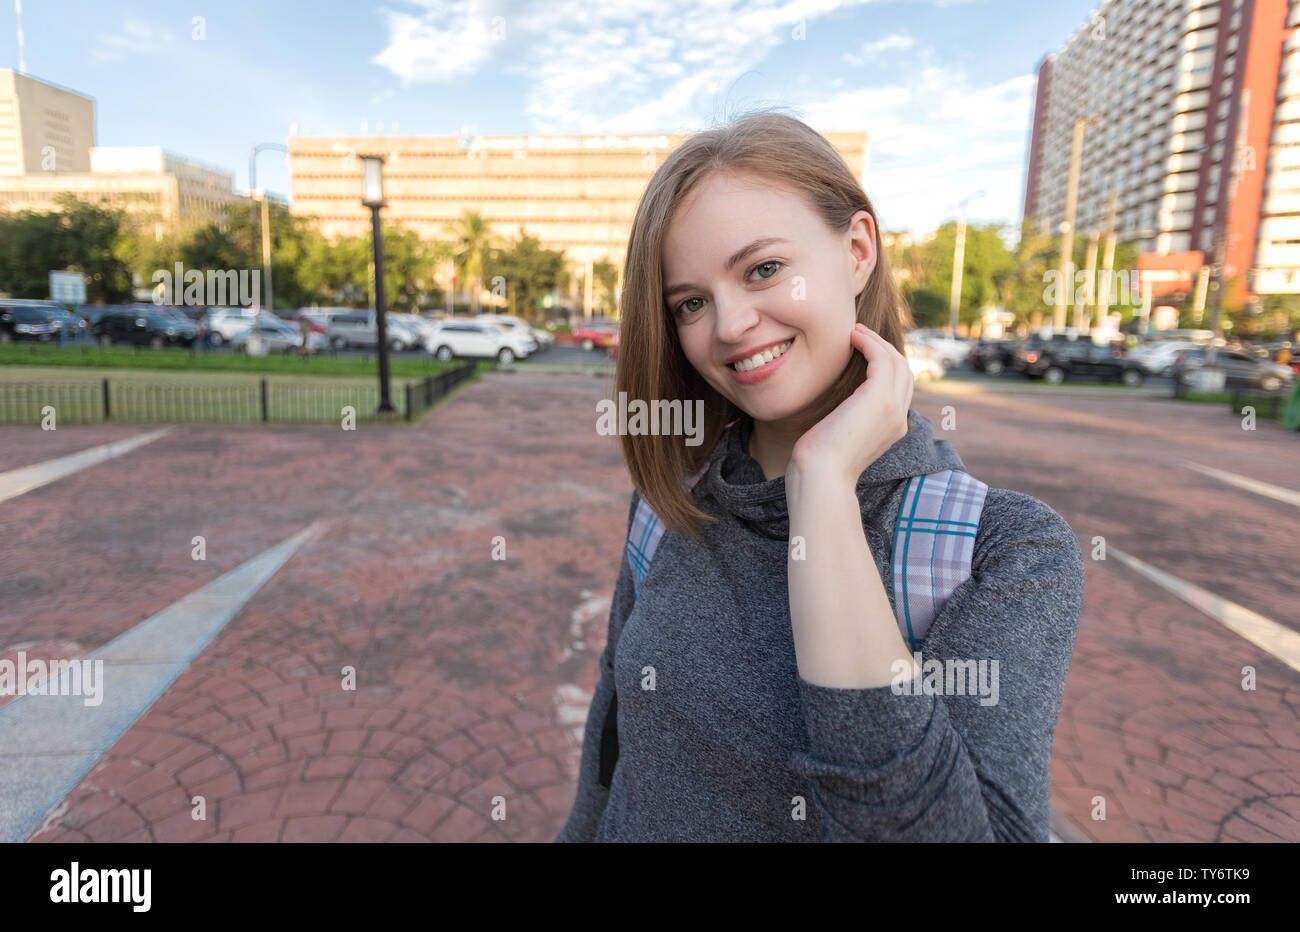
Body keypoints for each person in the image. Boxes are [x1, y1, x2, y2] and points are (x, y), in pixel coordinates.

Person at [554, 111, 1085, 843]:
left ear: (858, 251)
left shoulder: (1005, 553)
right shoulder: (667, 506)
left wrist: (825, 486)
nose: (732, 324)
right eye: (692, 303)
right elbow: (612, 757)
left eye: (764, 268)